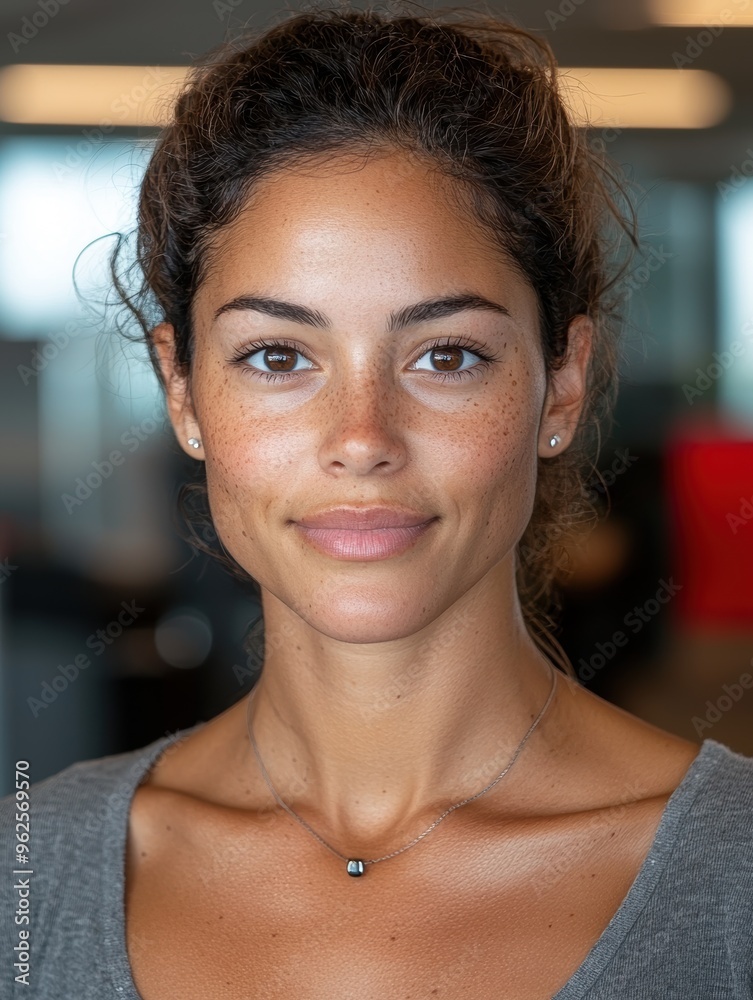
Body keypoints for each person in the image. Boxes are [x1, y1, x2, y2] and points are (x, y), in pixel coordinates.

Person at [2, 4, 752, 998]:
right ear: (183, 391)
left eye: (447, 355)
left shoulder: (734, 883)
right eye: (278, 356)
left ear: (561, 385)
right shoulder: (30, 878)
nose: (362, 438)